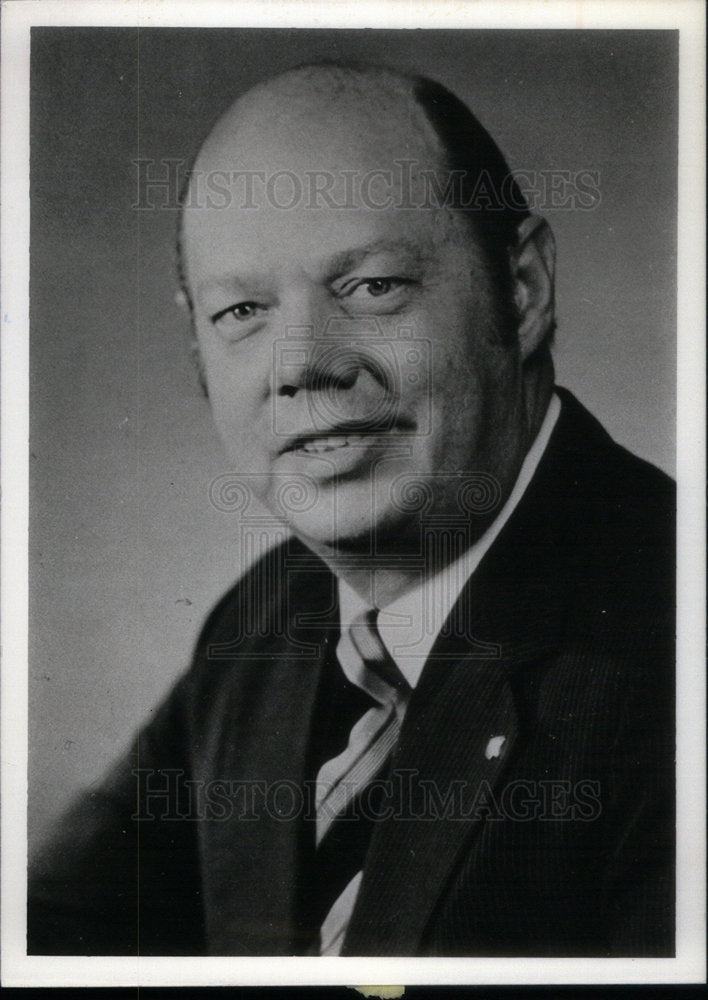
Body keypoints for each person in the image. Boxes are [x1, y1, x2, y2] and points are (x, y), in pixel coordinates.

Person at [28, 62, 674, 957]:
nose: (301, 366)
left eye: (371, 287)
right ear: (196, 350)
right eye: (243, 310)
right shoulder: (261, 629)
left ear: (521, 289)